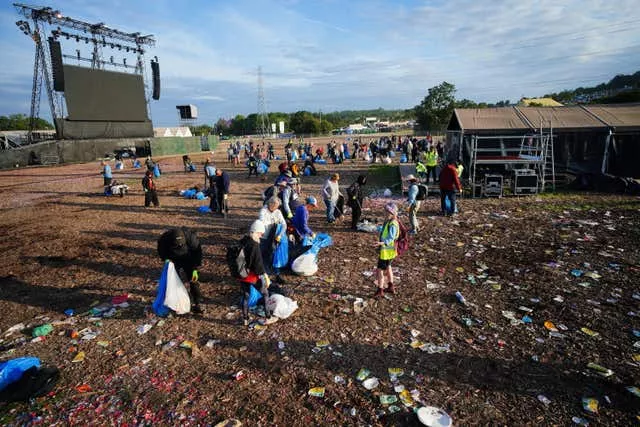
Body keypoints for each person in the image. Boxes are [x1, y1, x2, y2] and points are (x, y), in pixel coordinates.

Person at [157, 228, 204, 314]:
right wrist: (166, 260)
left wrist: (195, 268)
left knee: (193, 280)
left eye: (180, 245)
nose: (179, 246)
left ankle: (197, 301)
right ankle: (176, 302)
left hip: (188, 258)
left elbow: (197, 252)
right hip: (173, 259)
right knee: (173, 281)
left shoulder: (190, 237)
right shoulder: (165, 239)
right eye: (176, 245)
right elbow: (161, 251)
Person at [240, 220, 277, 326]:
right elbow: (257, 264)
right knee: (265, 294)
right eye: (260, 233)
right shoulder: (254, 245)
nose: (261, 236)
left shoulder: (243, 241)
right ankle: (268, 317)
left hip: (241, 275)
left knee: (246, 296)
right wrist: (264, 275)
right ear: (256, 232)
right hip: (252, 276)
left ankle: (245, 319)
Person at [374, 203, 400, 298]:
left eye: (386, 212)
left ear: (391, 213)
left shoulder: (392, 223)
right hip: (390, 251)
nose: (384, 213)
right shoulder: (390, 222)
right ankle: (391, 286)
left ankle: (380, 289)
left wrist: (381, 243)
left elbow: (391, 237)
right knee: (388, 267)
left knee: (379, 270)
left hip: (386, 252)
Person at [258, 197, 287, 282]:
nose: (276, 208)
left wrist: (280, 234)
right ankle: (264, 276)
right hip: (264, 238)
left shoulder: (278, 212)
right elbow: (262, 222)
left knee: (274, 255)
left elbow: (284, 224)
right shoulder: (263, 211)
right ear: (271, 204)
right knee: (263, 256)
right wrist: (274, 224)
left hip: (274, 237)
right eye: (275, 206)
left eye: (277, 206)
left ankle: (276, 274)